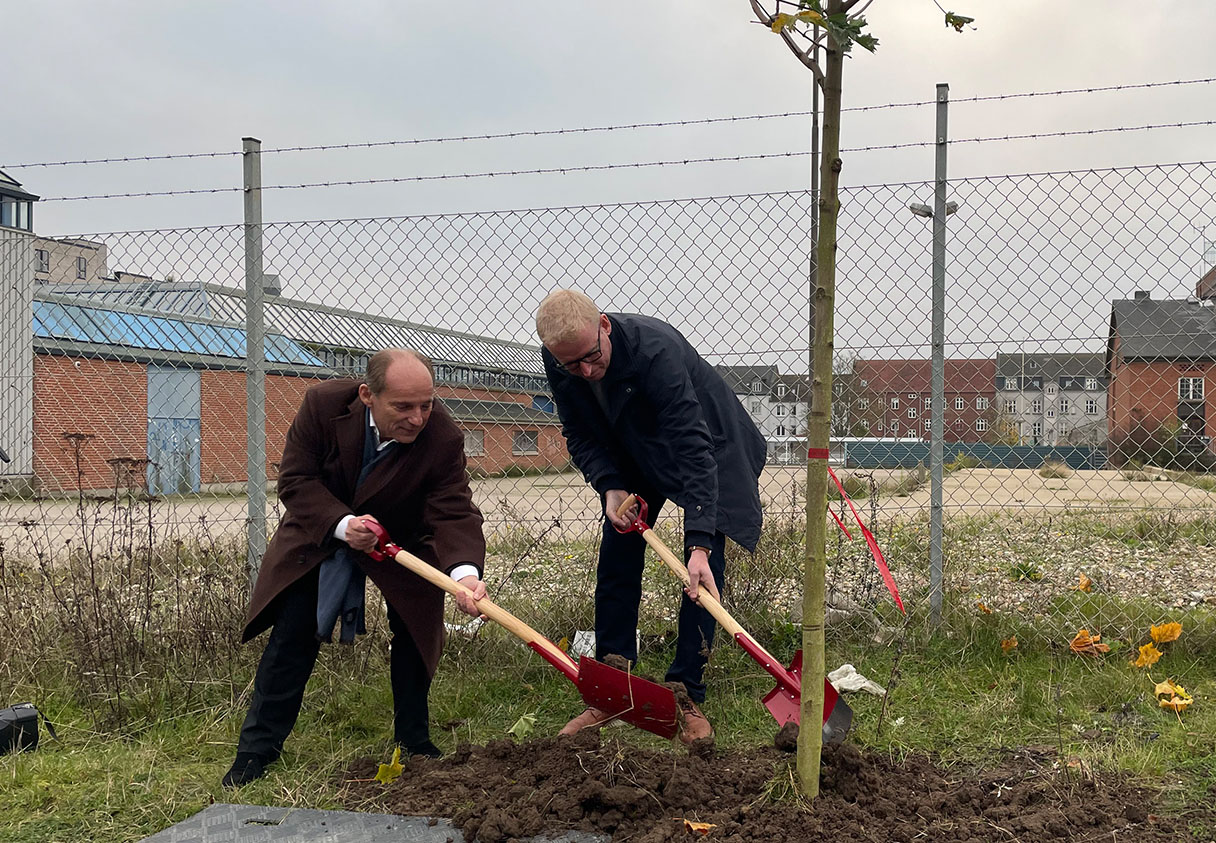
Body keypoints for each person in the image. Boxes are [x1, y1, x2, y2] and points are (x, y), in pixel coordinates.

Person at [222, 348, 488, 787]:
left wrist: (464, 575)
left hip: (404, 538)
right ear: (368, 395)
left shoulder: (442, 435)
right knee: (292, 635)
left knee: (417, 630)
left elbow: (453, 510)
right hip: (322, 531)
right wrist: (344, 526)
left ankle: (415, 743)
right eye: (403, 407)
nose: (418, 418)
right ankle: (256, 751)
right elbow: (296, 480)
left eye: (426, 404)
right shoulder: (323, 406)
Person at [535, 289, 766, 744]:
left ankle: (685, 690)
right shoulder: (561, 356)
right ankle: (611, 687)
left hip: (709, 447)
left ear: (604, 324)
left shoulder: (654, 350)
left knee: (701, 573)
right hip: (636, 450)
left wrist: (699, 542)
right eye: (570, 365)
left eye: (589, 358)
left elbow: (692, 446)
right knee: (617, 554)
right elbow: (578, 432)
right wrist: (609, 484)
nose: (583, 371)